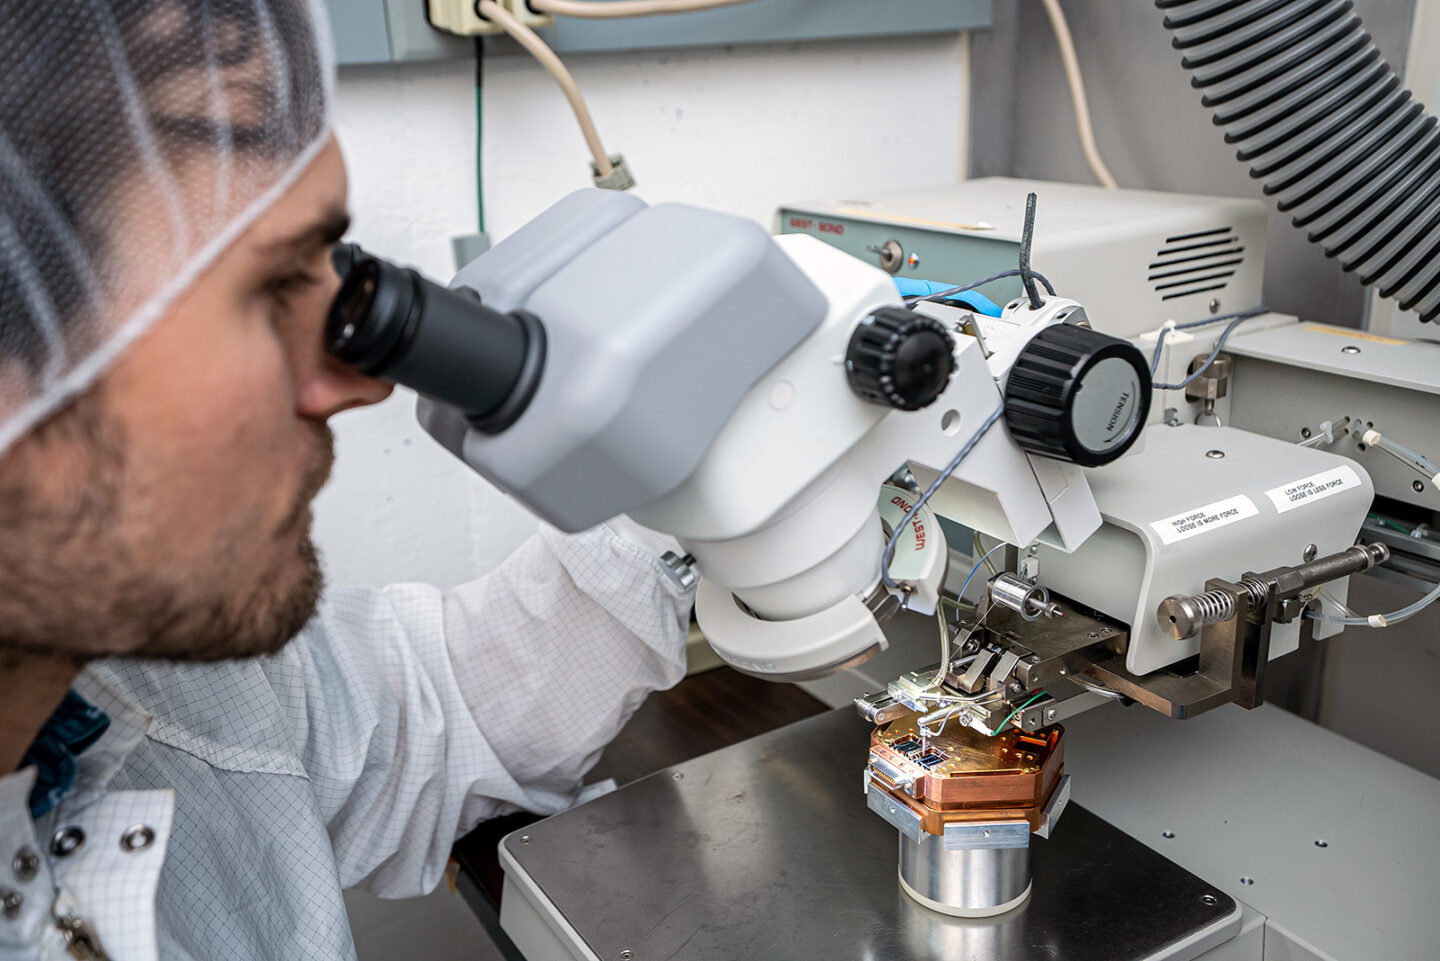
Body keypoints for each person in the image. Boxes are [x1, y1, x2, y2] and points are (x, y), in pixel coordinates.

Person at [0, 4, 693, 958]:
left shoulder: (143, 683)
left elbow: (438, 703)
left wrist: (685, 485)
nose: (361, 382)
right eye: (260, 290)